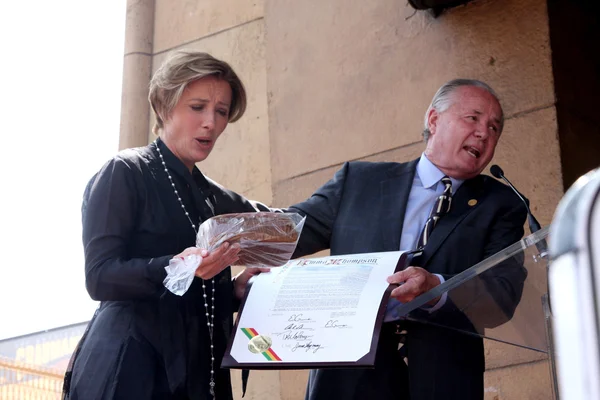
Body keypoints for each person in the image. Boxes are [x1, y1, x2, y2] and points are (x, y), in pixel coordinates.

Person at [288, 79, 528, 400]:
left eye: (494, 128)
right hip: (348, 380)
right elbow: (288, 231)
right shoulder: (359, 182)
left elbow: (502, 295)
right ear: (433, 119)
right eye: (473, 118)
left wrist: (436, 288)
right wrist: (221, 225)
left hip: (443, 380)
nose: (484, 133)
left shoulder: (501, 204)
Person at [63, 51, 268, 400]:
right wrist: (177, 267)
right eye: (197, 107)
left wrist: (230, 292)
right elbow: (99, 276)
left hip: (199, 373)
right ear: (164, 105)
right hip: (130, 369)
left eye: (221, 111)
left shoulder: (212, 196)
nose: (211, 123)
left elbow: (285, 225)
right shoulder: (125, 172)